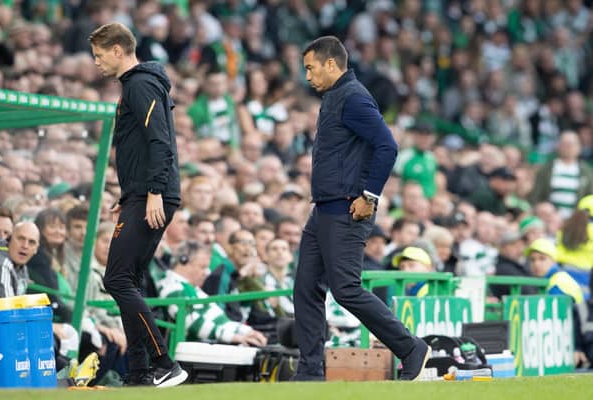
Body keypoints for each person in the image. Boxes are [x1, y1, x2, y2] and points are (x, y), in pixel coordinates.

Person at [293, 36, 430, 381]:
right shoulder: (335, 96)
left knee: (346, 289)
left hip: (346, 209)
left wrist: (369, 196)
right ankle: (309, 371)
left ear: (330, 63)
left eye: (310, 68)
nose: (307, 76)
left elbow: (387, 145)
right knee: (306, 287)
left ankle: (411, 347)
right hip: (324, 208)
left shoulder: (352, 97)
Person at [89, 22, 187, 387]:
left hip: (152, 193)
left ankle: (164, 361)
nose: (96, 63)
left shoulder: (141, 83)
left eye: (99, 55)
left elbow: (159, 141)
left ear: (118, 50)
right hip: (141, 193)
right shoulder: (139, 84)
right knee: (128, 280)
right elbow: (139, 146)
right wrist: (129, 195)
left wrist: (152, 193)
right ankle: (140, 371)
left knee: (115, 278)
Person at [157, 241, 267, 346]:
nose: (207, 272)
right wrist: (233, 337)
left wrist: (247, 332)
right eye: (202, 267)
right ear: (183, 262)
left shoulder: (194, 290)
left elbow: (220, 319)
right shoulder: (170, 285)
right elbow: (192, 323)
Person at [0, 221, 39, 298]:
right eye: (21, 239)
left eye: (31, 242)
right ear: (9, 240)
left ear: (36, 249)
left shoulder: (22, 267)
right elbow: (8, 307)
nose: (25, 246)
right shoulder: (0, 264)